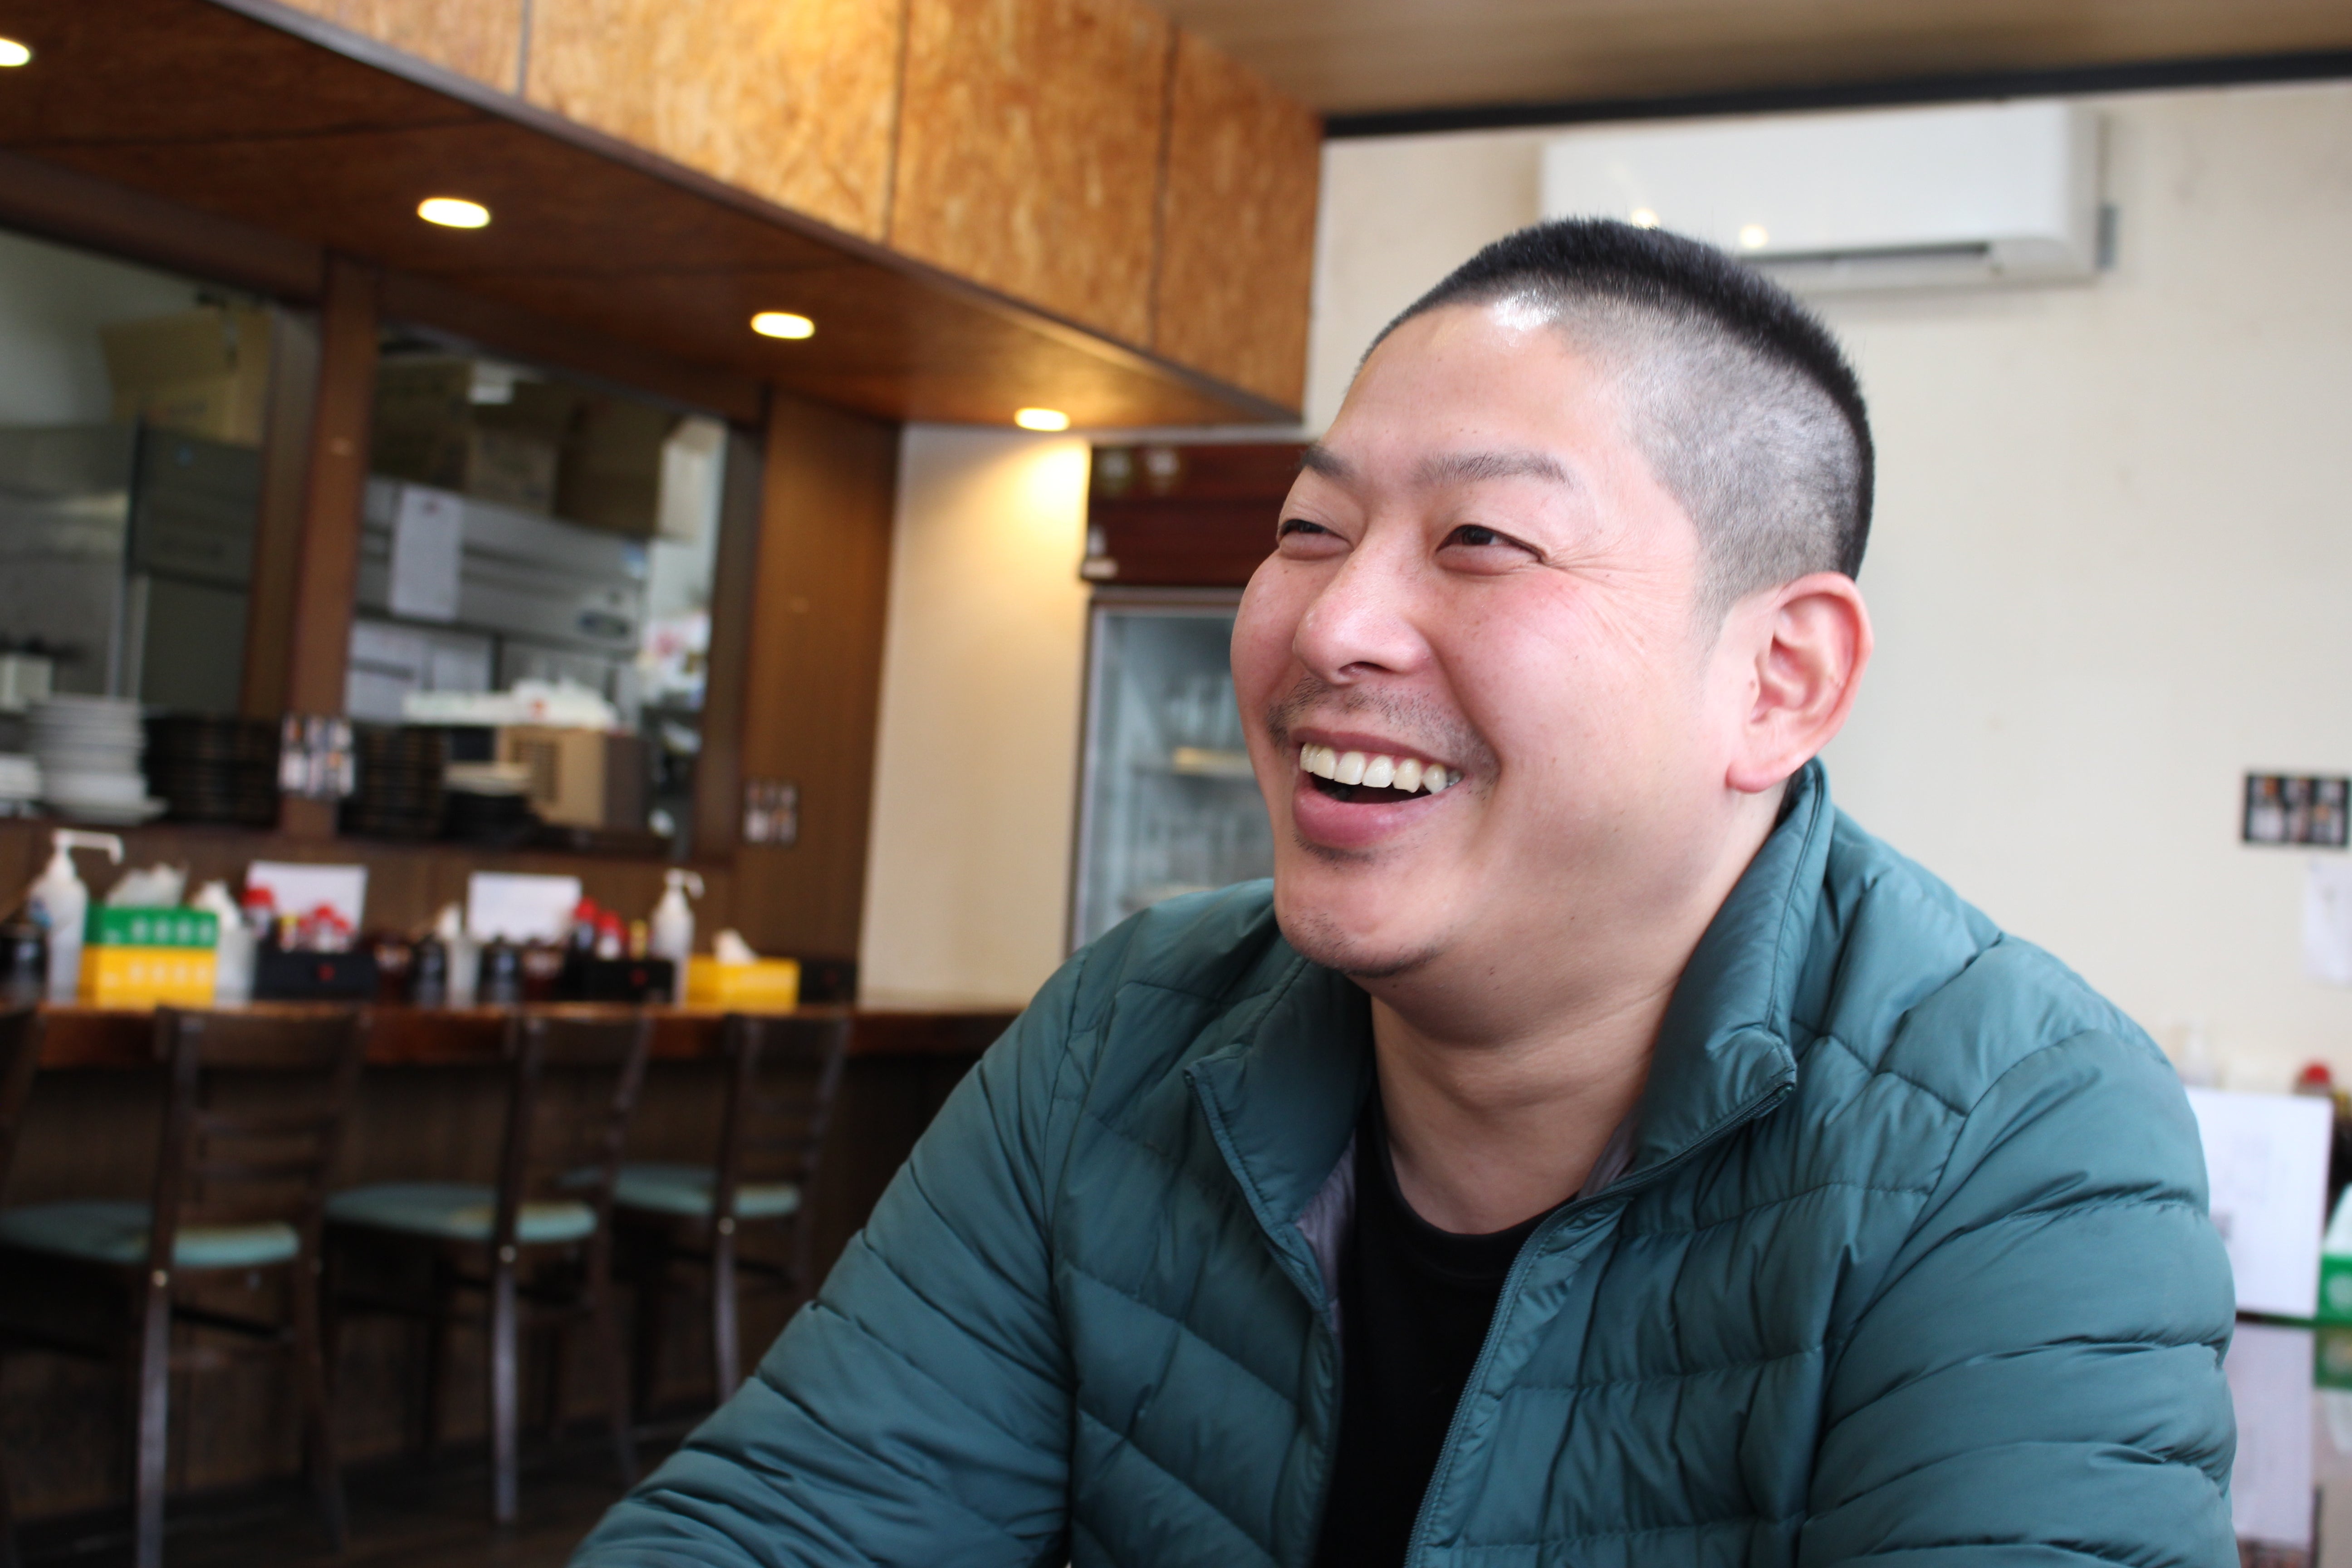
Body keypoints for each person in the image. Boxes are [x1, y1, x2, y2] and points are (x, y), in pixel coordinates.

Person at [573, 220, 2234, 1566]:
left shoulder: (2018, 1135)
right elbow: (788, 1523)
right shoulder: (1124, 1030)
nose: (1331, 625)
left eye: (1481, 540)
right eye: (1311, 527)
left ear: (1778, 681)